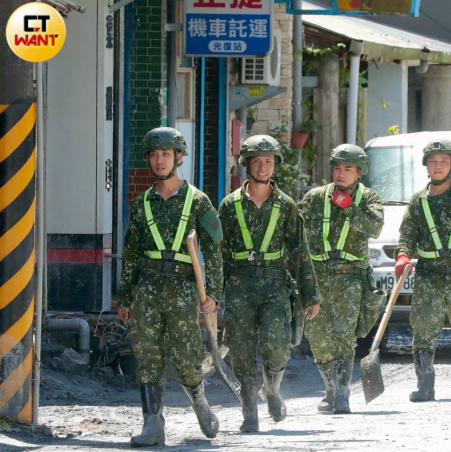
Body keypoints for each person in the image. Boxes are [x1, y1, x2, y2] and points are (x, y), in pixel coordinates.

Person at [116, 127, 223, 446]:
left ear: (178, 157)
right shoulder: (142, 204)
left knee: (187, 356)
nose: (159, 160)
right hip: (147, 288)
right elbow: (132, 251)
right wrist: (125, 296)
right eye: (153, 154)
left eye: (165, 154)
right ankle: (153, 423)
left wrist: (214, 293)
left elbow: (214, 248)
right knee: (146, 355)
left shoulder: (198, 201)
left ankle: (200, 403)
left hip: (182, 289)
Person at [219, 135, 321, 431]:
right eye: (257, 161)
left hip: (277, 287)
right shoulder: (229, 206)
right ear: (246, 164)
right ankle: (249, 407)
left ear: (275, 164)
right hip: (240, 286)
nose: (263, 167)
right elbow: (218, 253)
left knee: (278, 346)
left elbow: (300, 251)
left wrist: (310, 295)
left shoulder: (286, 205)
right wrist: (213, 294)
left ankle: (273, 389)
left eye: (268, 161)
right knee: (240, 349)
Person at [395, 139, 451, 400]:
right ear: (426, 166)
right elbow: (407, 235)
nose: (438, 166)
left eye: (444, 161)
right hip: (429, 275)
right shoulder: (418, 201)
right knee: (423, 329)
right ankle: (425, 383)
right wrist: (402, 256)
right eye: (433, 161)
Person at [299, 144, 384, 414]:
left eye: (348, 169)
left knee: (343, 335)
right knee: (317, 336)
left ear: (359, 172)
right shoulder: (314, 197)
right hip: (318, 275)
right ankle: (330, 388)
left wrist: (348, 207)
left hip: (350, 275)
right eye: (337, 167)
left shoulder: (370, 198)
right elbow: (295, 232)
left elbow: (375, 227)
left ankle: (343, 392)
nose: (341, 173)